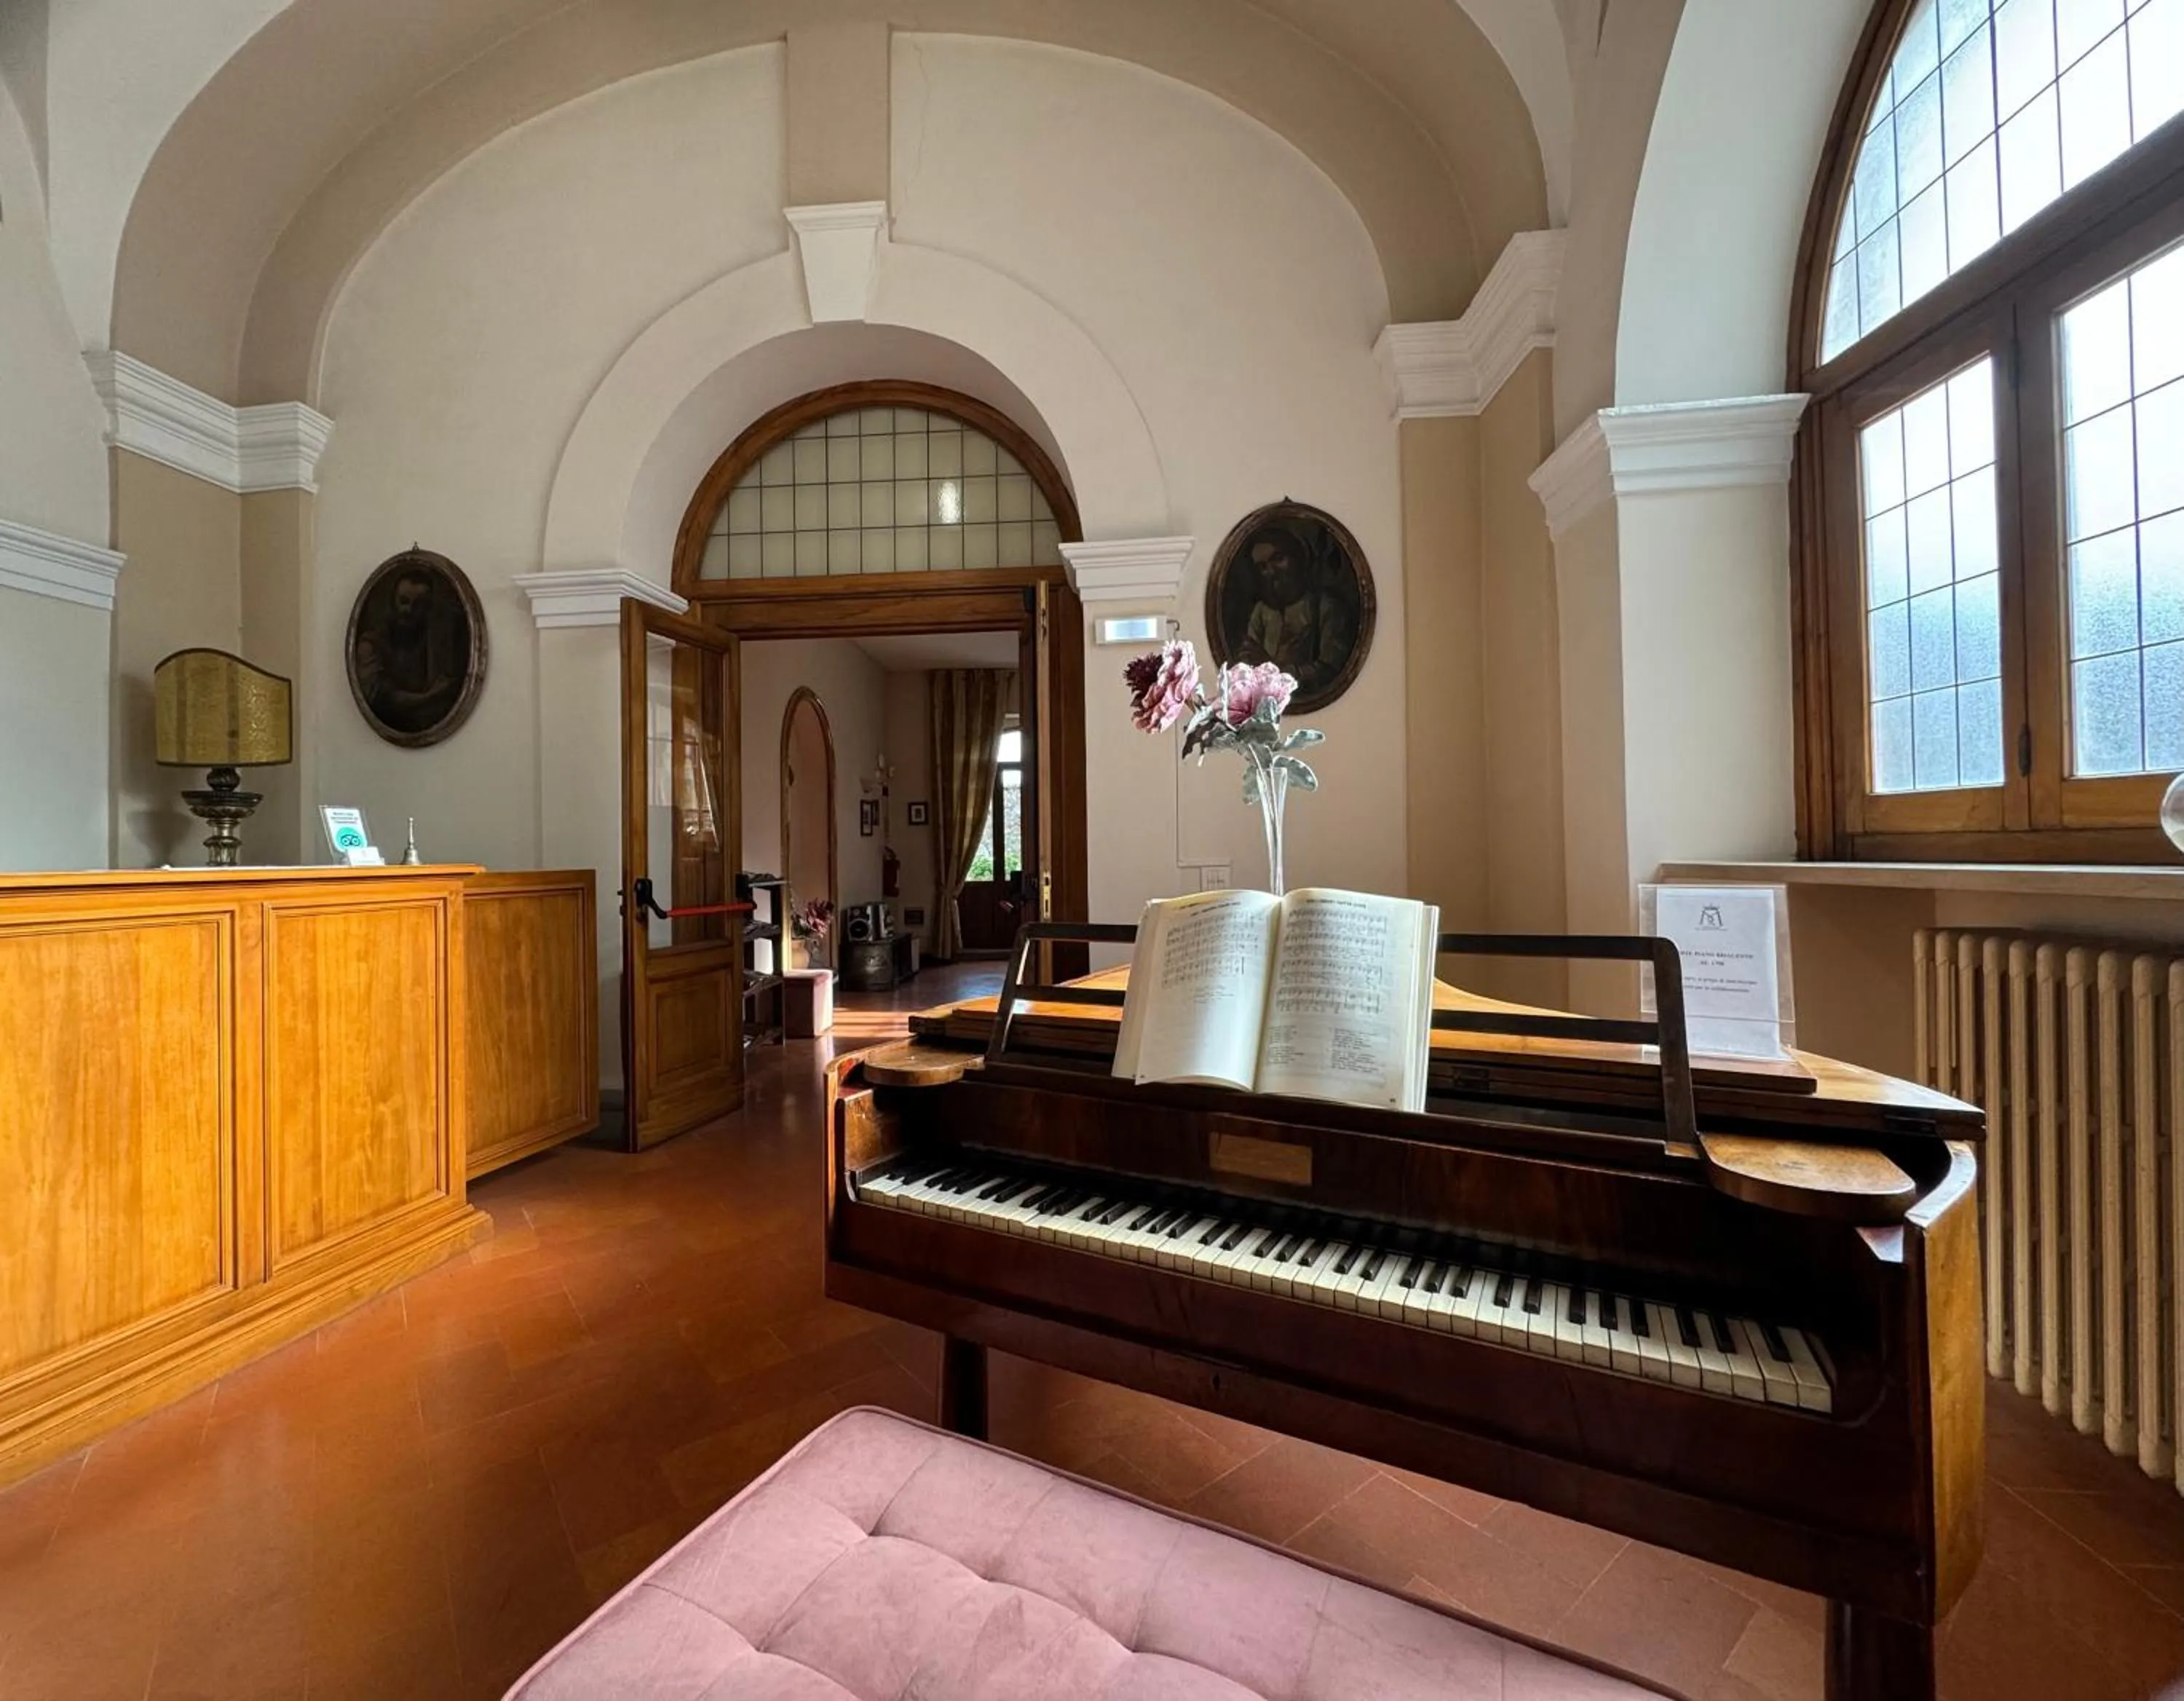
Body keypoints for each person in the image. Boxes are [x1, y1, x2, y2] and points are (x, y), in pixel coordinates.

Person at [1237, 527, 1353, 697]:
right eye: (1263, 567)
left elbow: (1330, 669)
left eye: (1278, 559)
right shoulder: (1262, 611)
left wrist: (1278, 667)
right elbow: (1249, 662)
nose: (1272, 571)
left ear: (1298, 558)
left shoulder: (1326, 607)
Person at [354, 563, 463, 734]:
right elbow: (382, 698)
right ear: (393, 602)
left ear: (427, 609)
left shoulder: (436, 645)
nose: (409, 610)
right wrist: (430, 696)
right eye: (403, 601)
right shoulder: (371, 645)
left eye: (418, 605)